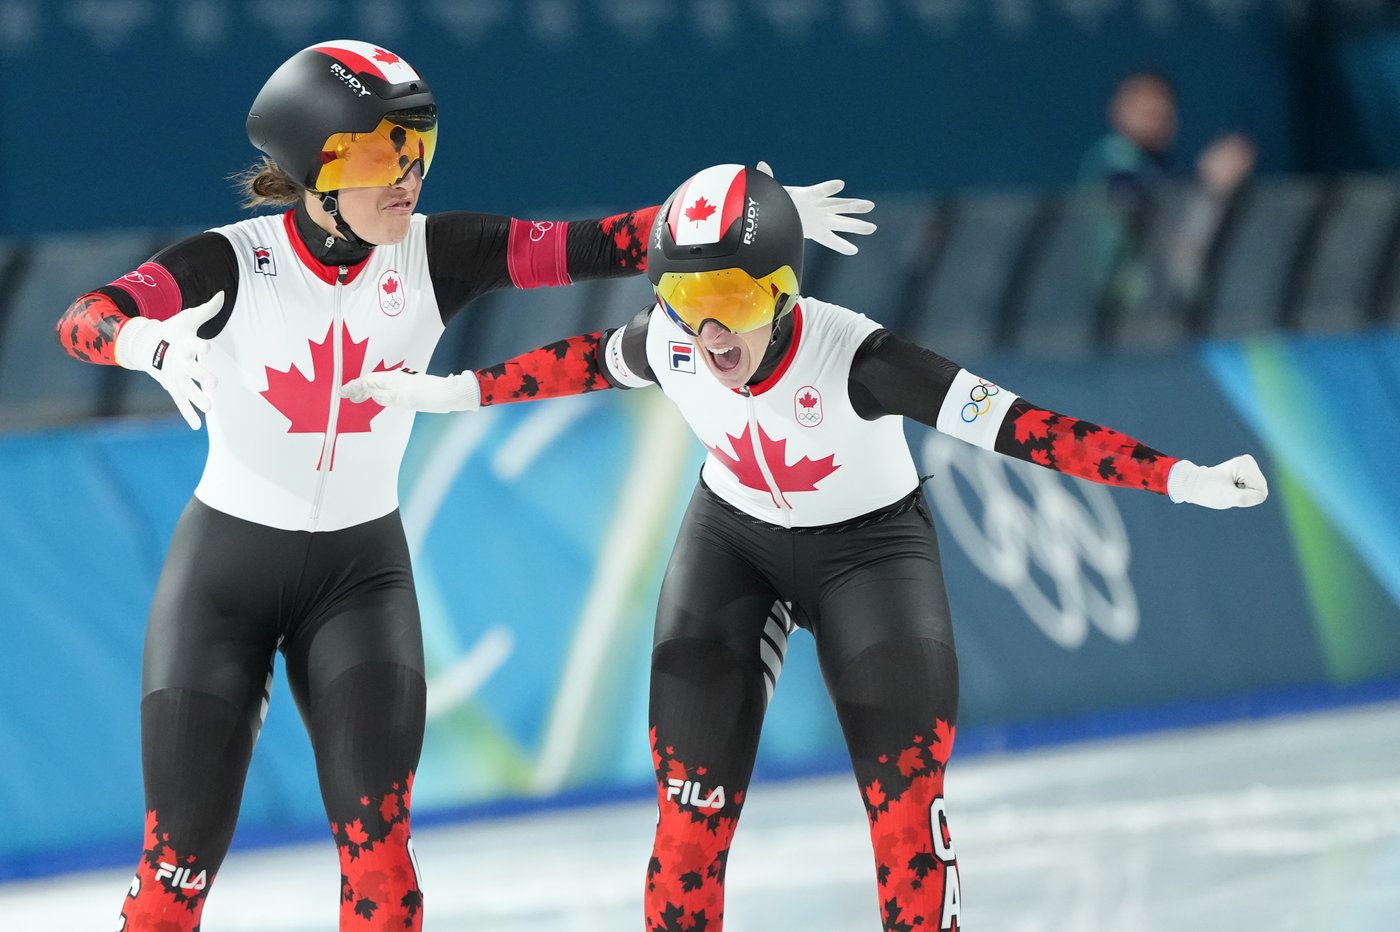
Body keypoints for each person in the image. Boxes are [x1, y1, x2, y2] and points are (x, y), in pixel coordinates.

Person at [54, 43, 874, 931]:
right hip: (225, 579)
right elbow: (85, 316)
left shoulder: (439, 254)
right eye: (377, 153)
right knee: (175, 873)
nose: (406, 177)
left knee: (383, 874)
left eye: (420, 150)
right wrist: (147, 342)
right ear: (309, 170)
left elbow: (600, 245)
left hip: (358, 582)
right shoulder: (229, 262)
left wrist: (752, 223)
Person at [342, 163, 1270, 931]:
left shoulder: (863, 361)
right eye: (685, 298)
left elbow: (1029, 428)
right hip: (733, 544)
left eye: (733, 299)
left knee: (905, 811)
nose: (708, 334)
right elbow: (581, 362)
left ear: (785, 291)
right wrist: (450, 393)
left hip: (870, 556)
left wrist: (1180, 477)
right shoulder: (670, 340)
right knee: (689, 815)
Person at [1078, 71, 1256, 333]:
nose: (1156, 116)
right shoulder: (1114, 160)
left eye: (1162, 110)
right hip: (1124, 308)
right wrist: (1208, 184)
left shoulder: (1162, 165)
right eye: (1143, 110)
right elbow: (1143, 210)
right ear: (1117, 111)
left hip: (1167, 305)